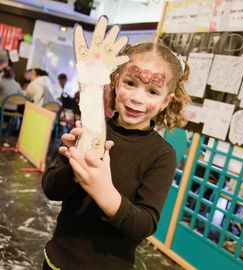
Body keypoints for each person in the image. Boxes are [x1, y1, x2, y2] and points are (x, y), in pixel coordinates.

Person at [42, 42, 191, 270]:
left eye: (152, 91)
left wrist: (103, 191)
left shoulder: (162, 155)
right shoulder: (91, 129)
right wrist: (74, 165)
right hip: (56, 261)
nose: (137, 98)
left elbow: (144, 225)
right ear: (115, 82)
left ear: (166, 102)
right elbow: (51, 188)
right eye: (130, 83)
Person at [0, 67, 22, 131]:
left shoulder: (2, 82)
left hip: (2, 106)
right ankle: (3, 128)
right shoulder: (17, 85)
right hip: (13, 109)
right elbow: (20, 95)